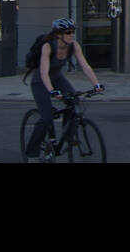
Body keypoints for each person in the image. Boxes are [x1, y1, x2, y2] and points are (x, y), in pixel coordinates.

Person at [24, 18, 103, 161]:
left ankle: (67, 132)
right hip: (41, 82)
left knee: (75, 101)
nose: (72, 35)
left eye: (73, 32)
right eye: (68, 32)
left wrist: (96, 84)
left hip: (58, 78)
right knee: (47, 117)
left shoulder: (74, 46)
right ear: (59, 34)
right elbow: (43, 73)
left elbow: (85, 66)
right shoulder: (48, 46)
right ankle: (32, 154)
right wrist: (52, 91)